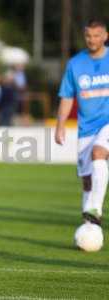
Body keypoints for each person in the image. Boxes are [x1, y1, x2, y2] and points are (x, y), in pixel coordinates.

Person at [55, 19, 109, 234]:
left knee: (99, 153)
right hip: (86, 128)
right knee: (87, 179)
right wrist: (60, 125)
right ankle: (90, 228)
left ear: (105, 36)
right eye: (88, 36)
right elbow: (67, 96)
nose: (92, 40)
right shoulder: (76, 64)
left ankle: (94, 208)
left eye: (97, 35)